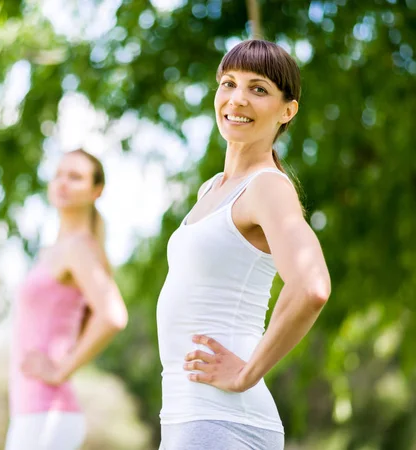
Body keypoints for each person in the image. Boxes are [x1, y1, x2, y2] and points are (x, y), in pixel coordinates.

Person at [156, 39, 331, 449]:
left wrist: (246, 372)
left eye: (258, 89)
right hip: (189, 416)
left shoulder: (268, 187)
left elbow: (311, 286)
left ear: (288, 111)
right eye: (228, 83)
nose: (237, 99)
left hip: (222, 418)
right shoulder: (211, 190)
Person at [6, 149, 128, 450]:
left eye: (75, 177)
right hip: (33, 411)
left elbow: (113, 315)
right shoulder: (56, 250)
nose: (63, 182)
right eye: (59, 174)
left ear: (96, 191)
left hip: (47, 413)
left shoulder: (78, 248)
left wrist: (61, 370)